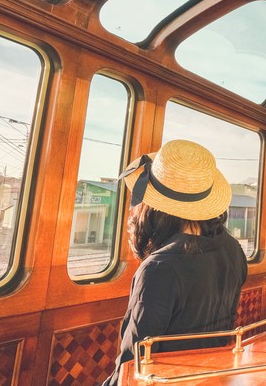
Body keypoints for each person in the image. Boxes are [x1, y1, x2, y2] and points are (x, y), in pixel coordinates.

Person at [103, 140, 248, 386]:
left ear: (155, 206)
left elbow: (134, 360)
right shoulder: (233, 250)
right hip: (213, 377)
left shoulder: (160, 268)